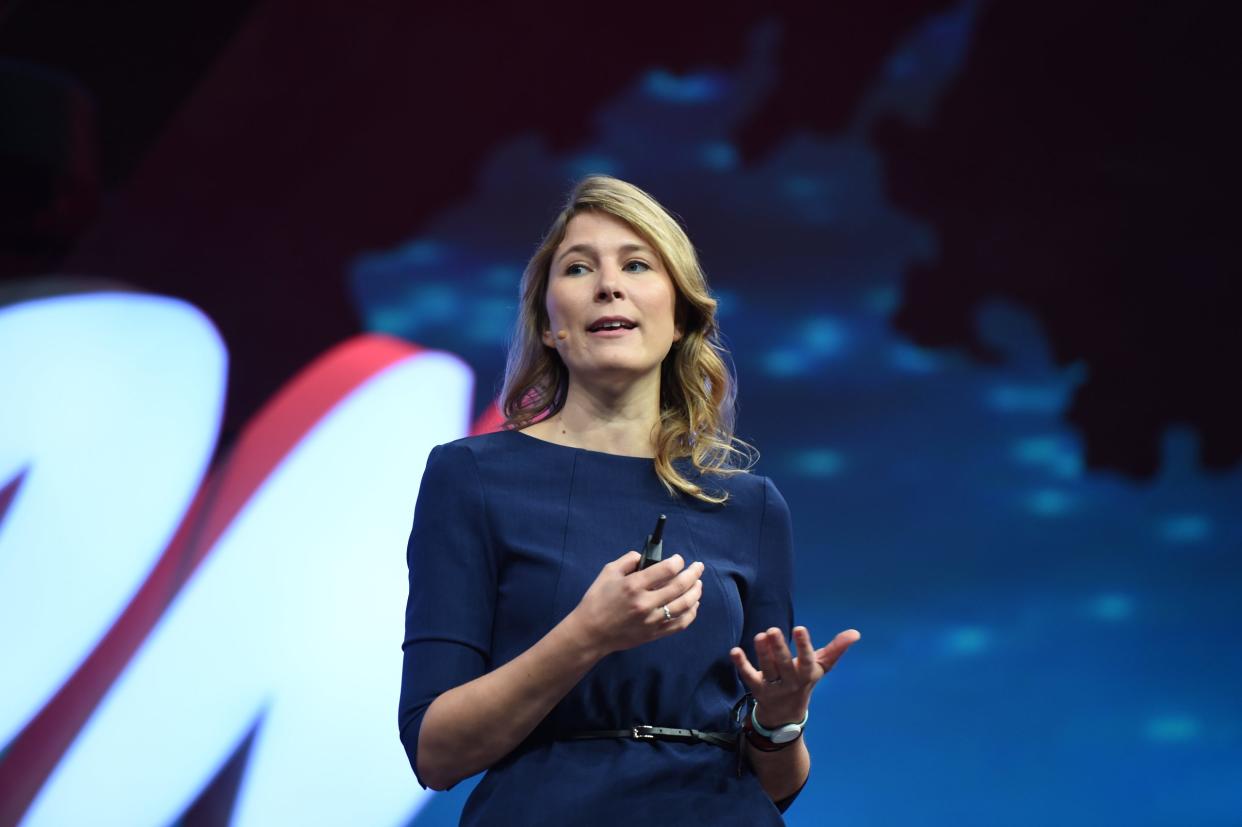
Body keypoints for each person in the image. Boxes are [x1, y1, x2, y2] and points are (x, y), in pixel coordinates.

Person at [398, 175, 860, 825]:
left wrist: (781, 720)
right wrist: (587, 635)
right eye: (579, 267)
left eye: (636, 264)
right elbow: (435, 752)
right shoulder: (470, 477)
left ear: (679, 318)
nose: (607, 284)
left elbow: (776, 783)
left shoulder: (751, 506)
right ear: (550, 325)